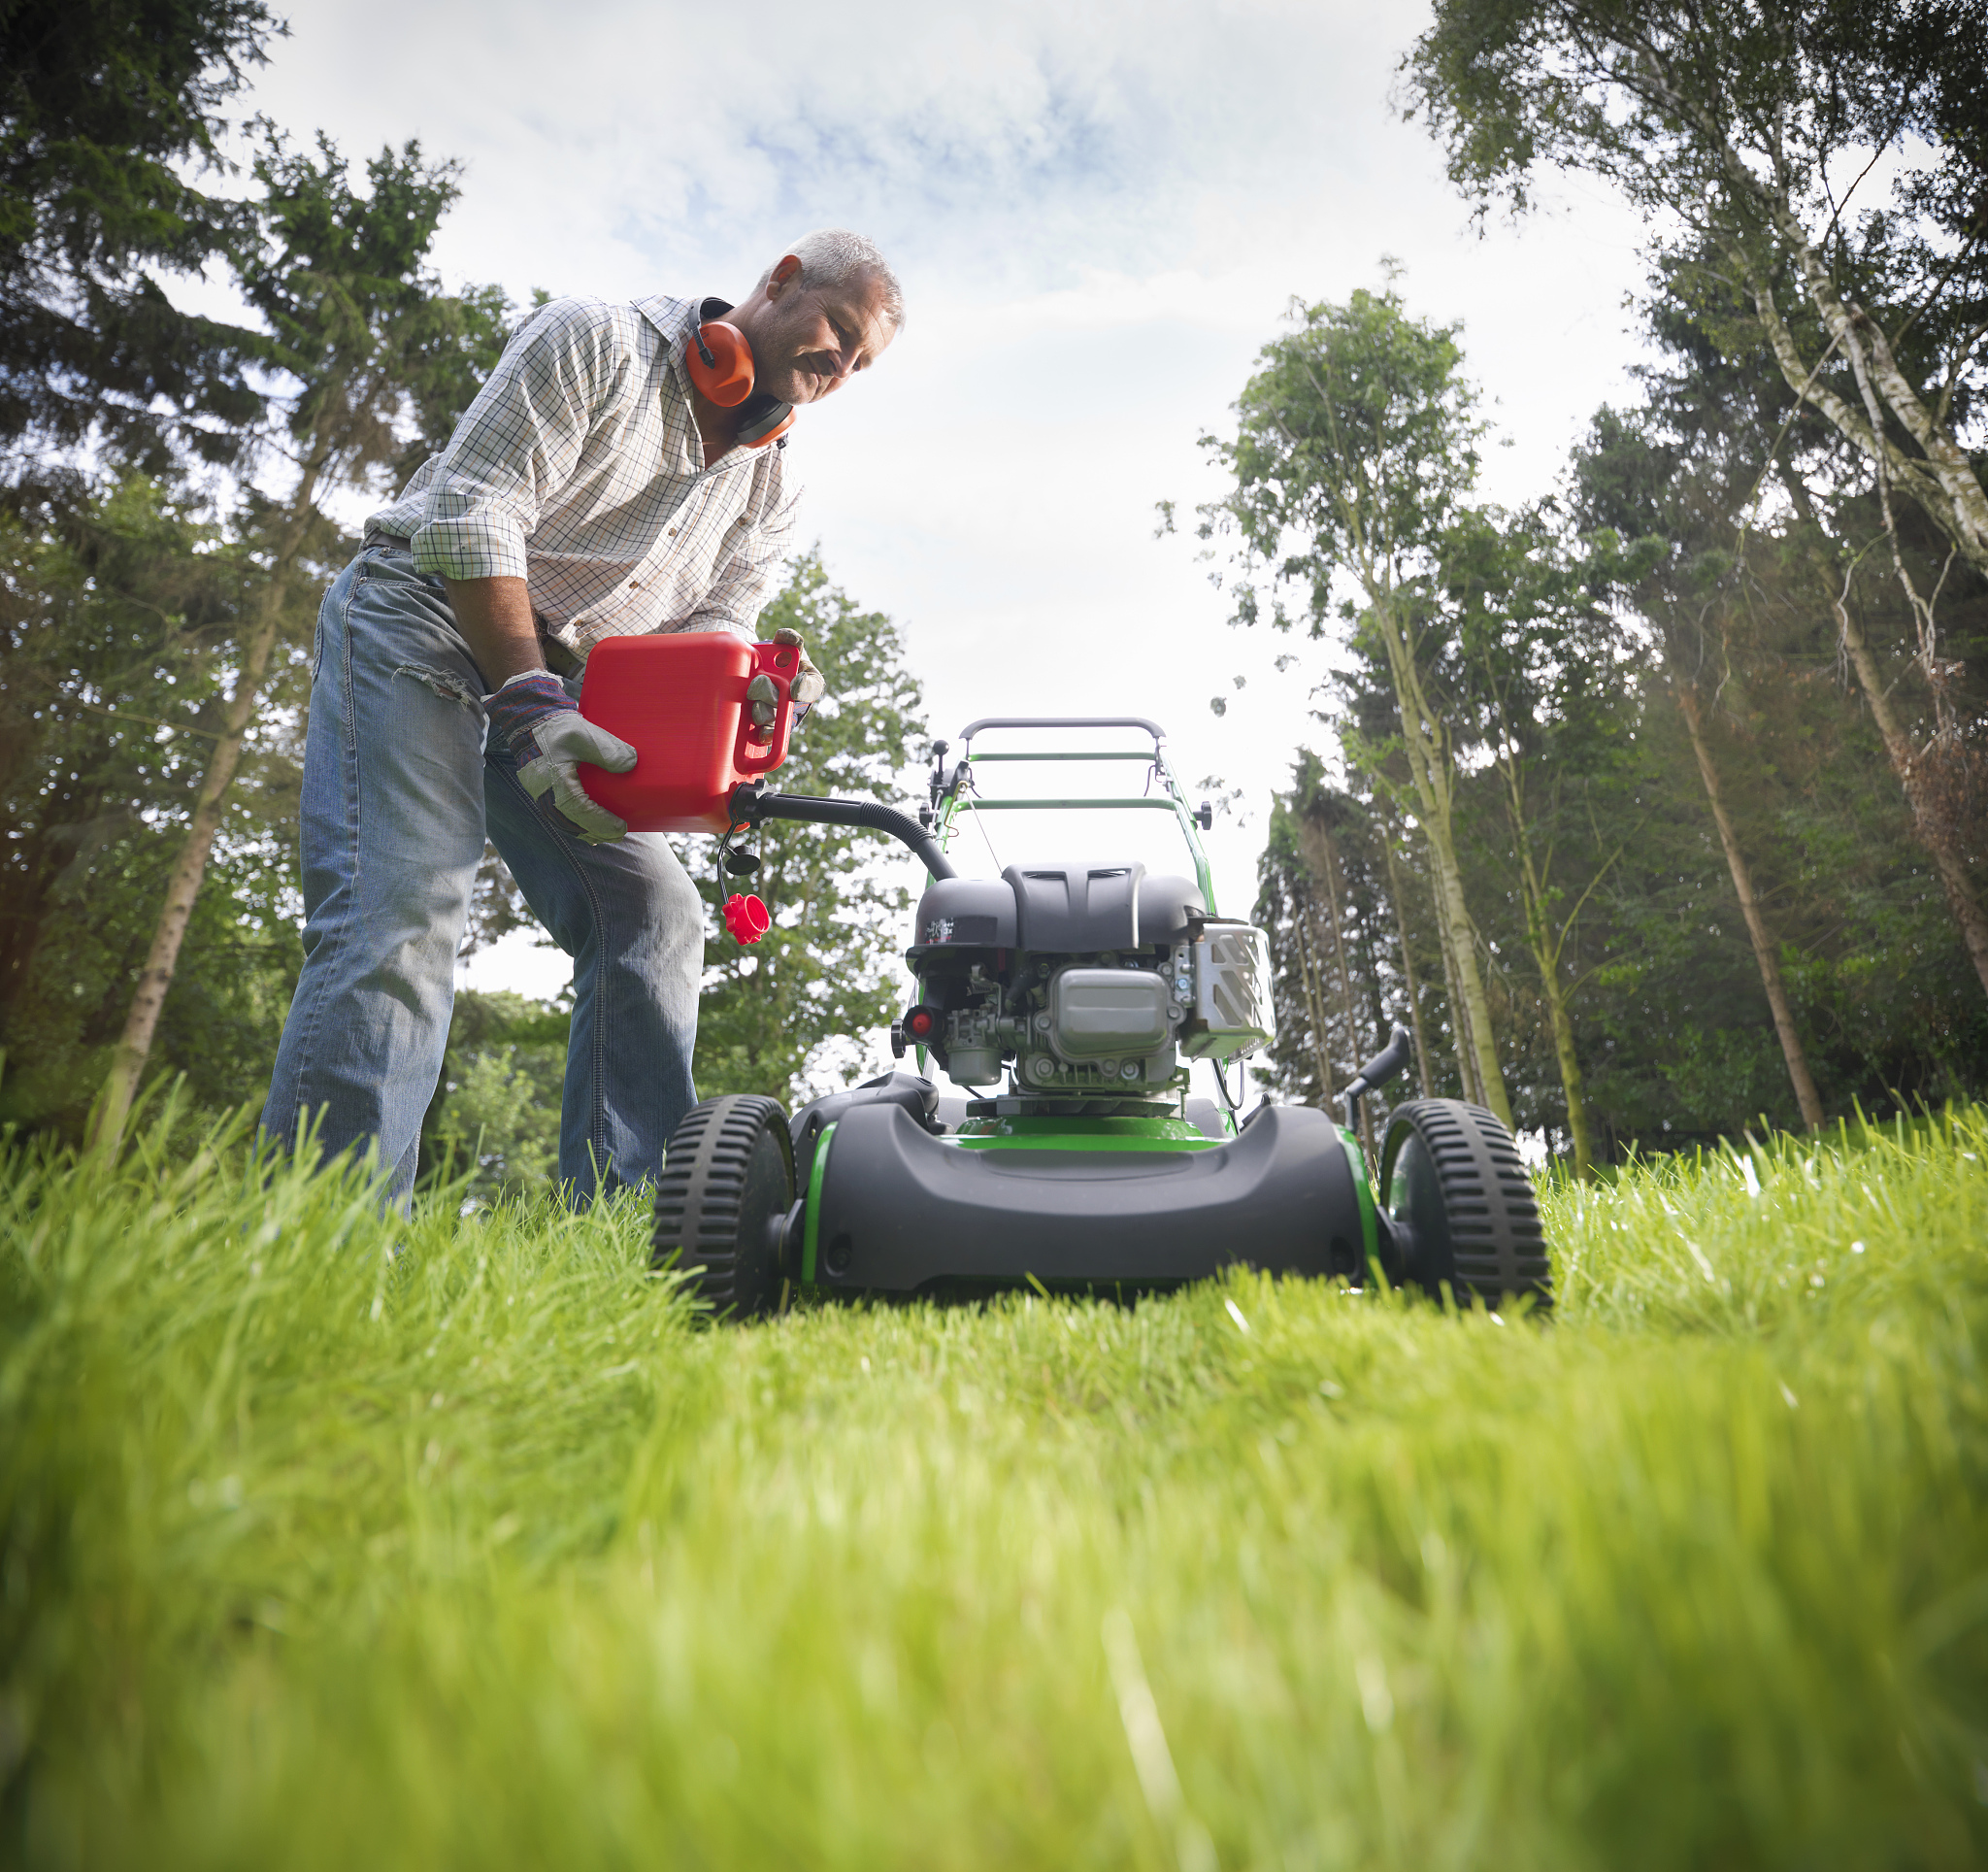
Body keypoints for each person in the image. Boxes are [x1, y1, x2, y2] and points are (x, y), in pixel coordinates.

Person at [261, 228, 905, 1205]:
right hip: (422, 616)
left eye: (860, 362)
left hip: (567, 697)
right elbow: (474, 513)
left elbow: (716, 628)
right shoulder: (595, 344)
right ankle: (323, 1246)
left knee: (654, 910)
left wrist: (729, 730)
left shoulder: (774, 484)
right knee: (402, 910)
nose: (838, 365)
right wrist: (526, 703)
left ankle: (622, 1232)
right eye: (837, 329)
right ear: (779, 281)